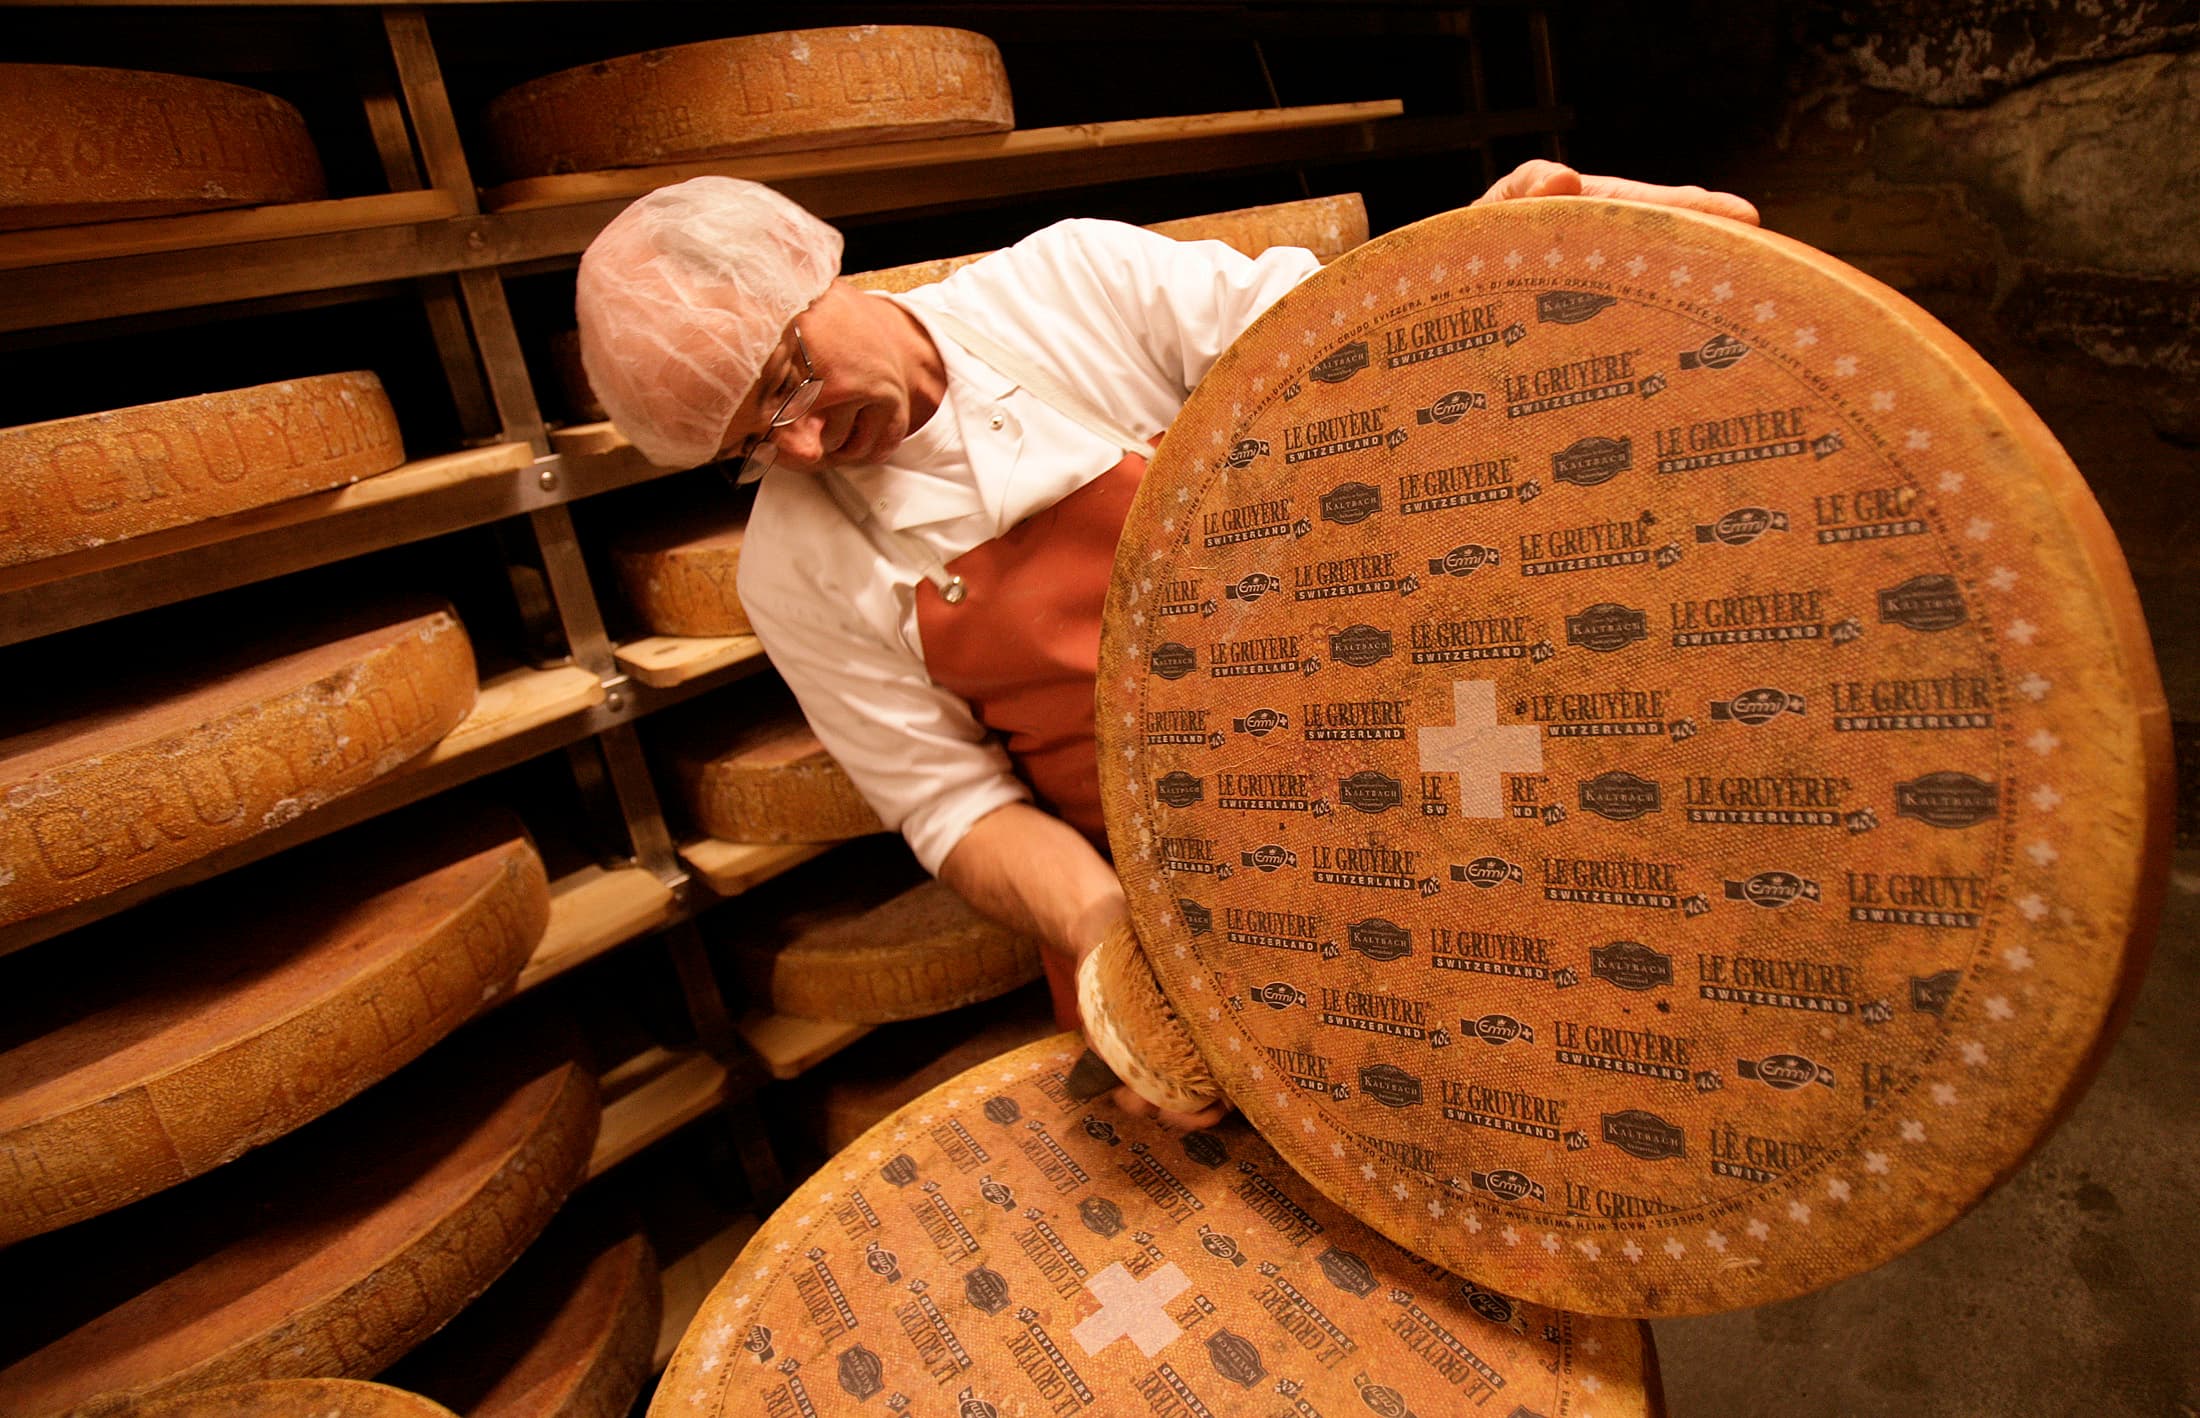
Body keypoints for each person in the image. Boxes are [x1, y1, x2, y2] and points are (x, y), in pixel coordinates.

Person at [577, 161, 1758, 1121]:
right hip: (1170, 896)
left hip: (1409, 783)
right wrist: (1112, 942)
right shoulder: (792, 568)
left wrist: (1501, 246)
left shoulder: (1073, 287)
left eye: (790, 377)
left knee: (1533, 1086)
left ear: (816, 266)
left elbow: (1351, 351)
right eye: (749, 441)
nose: (799, 443)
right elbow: (950, 805)